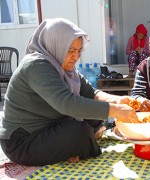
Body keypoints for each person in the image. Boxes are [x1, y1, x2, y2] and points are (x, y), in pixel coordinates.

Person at [0, 18, 139, 166]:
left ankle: (74, 145)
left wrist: (120, 101)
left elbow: (91, 93)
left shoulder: (63, 66)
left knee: (93, 116)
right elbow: (67, 103)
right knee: (80, 132)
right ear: (56, 45)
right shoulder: (36, 65)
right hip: (23, 141)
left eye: (79, 51)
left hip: (49, 127)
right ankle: (82, 142)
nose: (76, 57)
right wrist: (115, 110)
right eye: (71, 51)